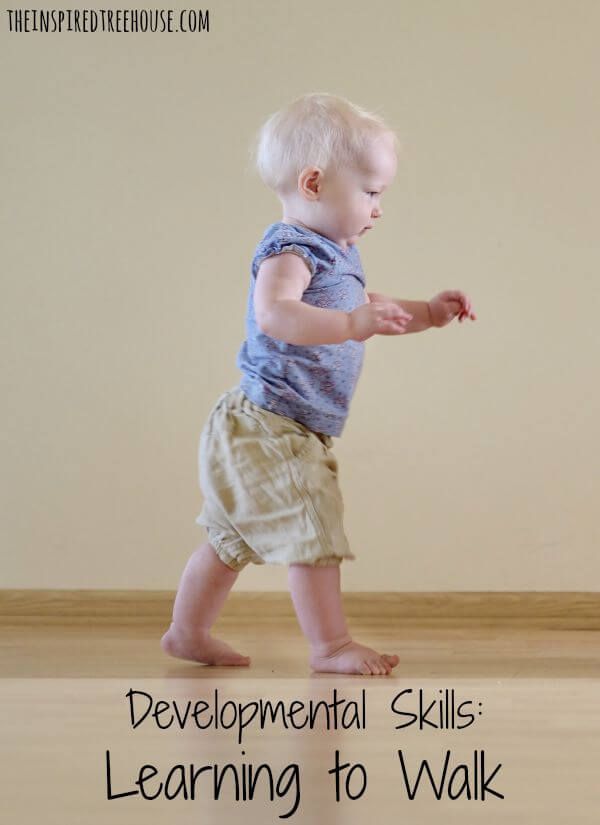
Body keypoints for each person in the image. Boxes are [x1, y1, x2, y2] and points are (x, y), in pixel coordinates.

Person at [161, 92, 476, 675]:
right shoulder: (290, 250)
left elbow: (372, 307)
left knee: (231, 539)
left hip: (270, 425)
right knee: (316, 529)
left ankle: (186, 631)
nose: (379, 208)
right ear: (313, 183)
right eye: (372, 192)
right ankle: (330, 646)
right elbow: (274, 314)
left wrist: (429, 312)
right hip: (270, 426)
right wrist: (352, 324)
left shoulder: (339, 253)